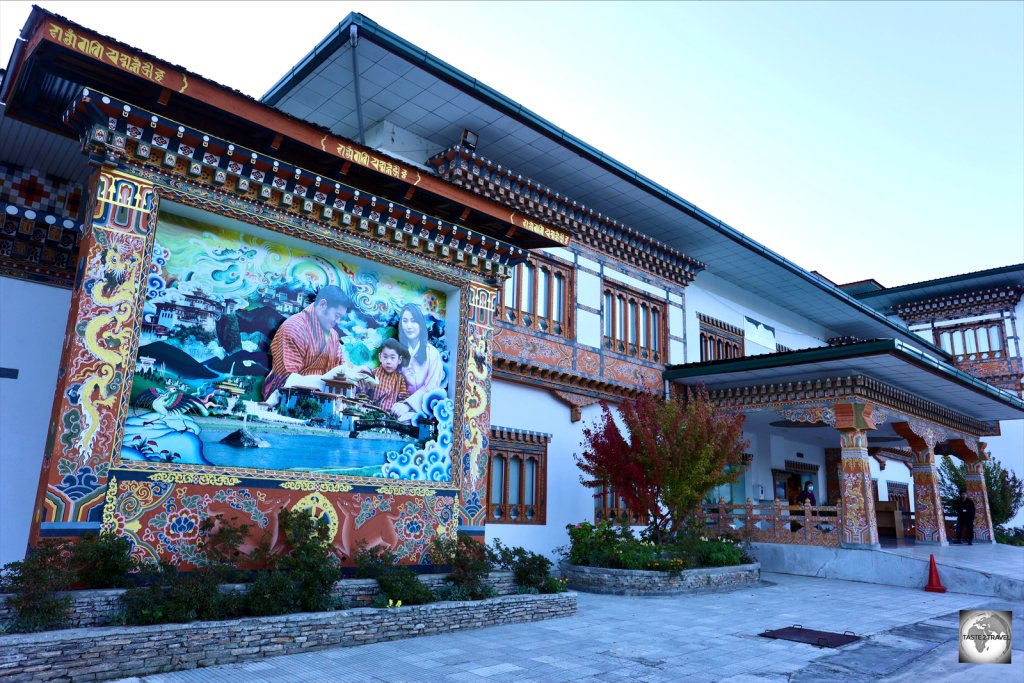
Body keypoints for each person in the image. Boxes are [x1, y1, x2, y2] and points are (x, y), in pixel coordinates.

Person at [262, 285, 368, 401]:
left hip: (320, 400)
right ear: (322, 305)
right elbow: (286, 379)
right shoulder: (293, 328)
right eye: (336, 315)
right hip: (285, 398)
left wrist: (358, 375)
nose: (337, 321)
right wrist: (326, 380)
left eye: (340, 317)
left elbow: (340, 368)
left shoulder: (333, 335)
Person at [392, 303, 444, 422]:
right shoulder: (396, 353)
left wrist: (408, 405)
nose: (409, 326)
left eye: (413, 321)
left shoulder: (432, 353)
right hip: (398, 408)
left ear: (420, 324)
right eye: (405, 321)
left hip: (423, 411)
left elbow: (432, 386)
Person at [360, 338, 410, 414]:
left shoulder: (400, 379)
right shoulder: (373, 373)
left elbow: (404, 398)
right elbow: (362, 393)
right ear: (380, 357)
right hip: (371, 412)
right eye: (385, 357)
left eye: (392, 358)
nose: (388, 362)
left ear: (399, 360)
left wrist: (400, 407)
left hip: (389, 415)